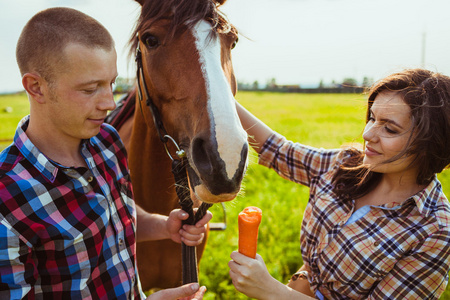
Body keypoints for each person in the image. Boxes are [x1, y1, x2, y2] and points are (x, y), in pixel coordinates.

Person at [0, 7, 211, 299]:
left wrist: (162, 226)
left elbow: (114, 211)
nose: (110, 103)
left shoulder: (107, 142)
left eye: (111, 84)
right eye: (90, 89)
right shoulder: (6, 201)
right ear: (36, 87)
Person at [228, 68, 450, 299]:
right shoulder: (346, 163)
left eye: (389, 128)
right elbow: (279, 151)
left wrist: (272, 291)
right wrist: (222, 97)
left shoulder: (435, 231)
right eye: (372, 118)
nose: (367, 134)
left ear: (432, 144)